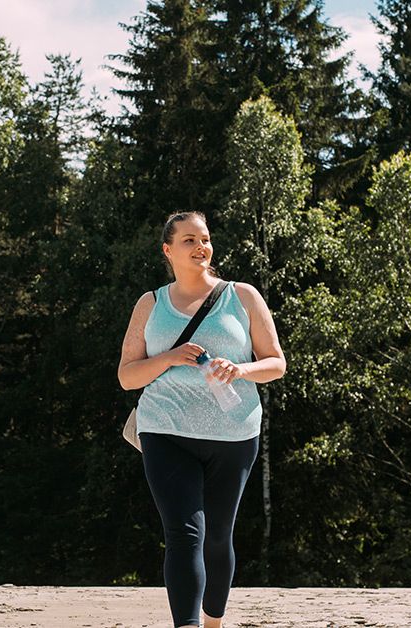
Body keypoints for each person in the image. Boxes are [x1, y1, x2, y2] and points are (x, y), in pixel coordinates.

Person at [117, 211, 286, 628]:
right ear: (168, 250)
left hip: (233, 434)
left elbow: (277, 363)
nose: (200, 247)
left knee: (217, 538)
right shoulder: (150, 304)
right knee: (183, 534)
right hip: (165, 431)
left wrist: (241, 370)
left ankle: (213, 622)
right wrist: (170, 358)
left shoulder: (242, 296)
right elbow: (126, 376)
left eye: (205, 239)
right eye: (189, 240)